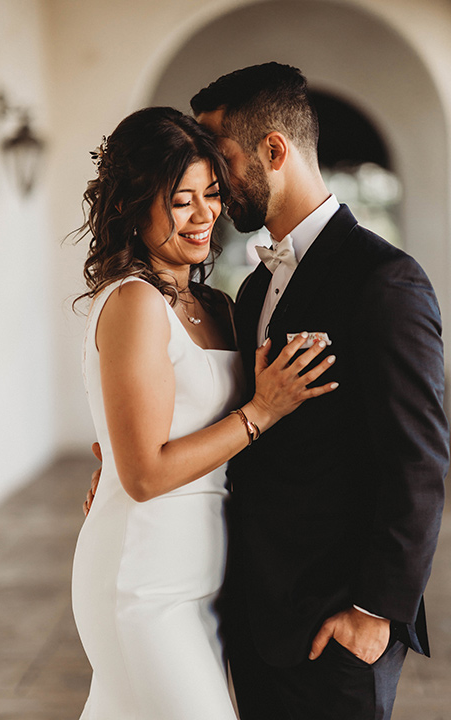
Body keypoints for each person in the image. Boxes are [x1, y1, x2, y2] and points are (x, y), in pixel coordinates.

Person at [187, 62, 449, 720]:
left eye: (220, 160)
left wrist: (373, 613)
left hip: (338, 626)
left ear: (273, 150)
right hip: (258, 616)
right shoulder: (251, 292)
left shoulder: (384, 281)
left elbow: (419, 462)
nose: (212, 184)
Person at [72, 105, 338, 719]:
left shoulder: (217, 304)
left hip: (207, 577)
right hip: (143, 575)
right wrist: (260, 412)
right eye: (180, 199)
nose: (204, 216)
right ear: (133, 206)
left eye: (211, 195)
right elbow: (142, 477)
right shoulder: (136, 303)